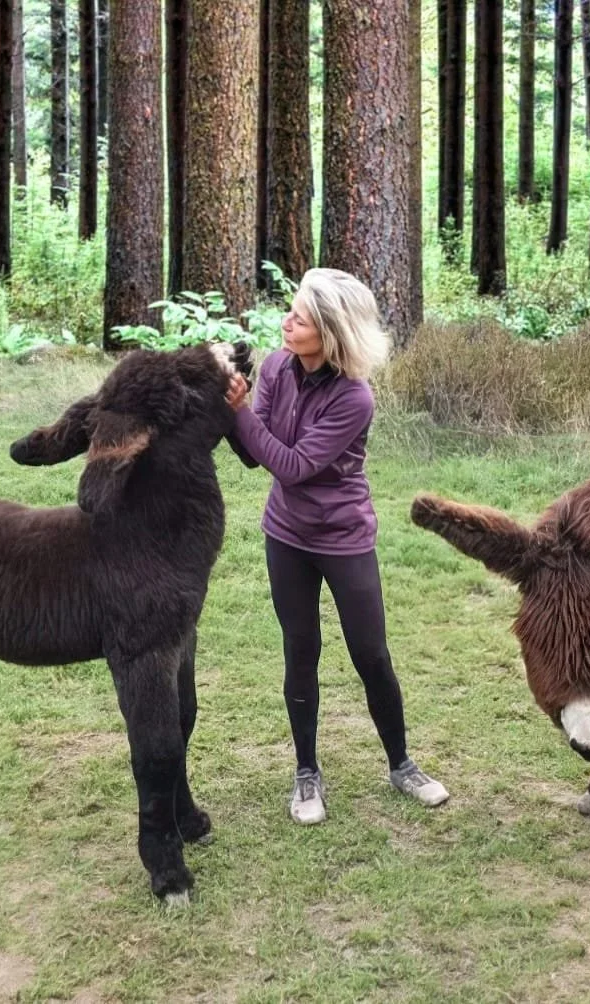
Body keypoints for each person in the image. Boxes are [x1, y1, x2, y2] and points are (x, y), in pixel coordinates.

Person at [225, 267, 449, 825]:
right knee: (300, 650)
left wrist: (239, 413)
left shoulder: (355, 398)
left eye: (299, 317)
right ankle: (306, 774)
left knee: (371, 653)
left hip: (344, 538)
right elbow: (257, 455)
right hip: (287, 536)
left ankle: (401, 764)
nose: (286, 322)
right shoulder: (278, 366)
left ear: (329, 332)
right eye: (291, 311)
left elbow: (295, 466)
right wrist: (233, 411)